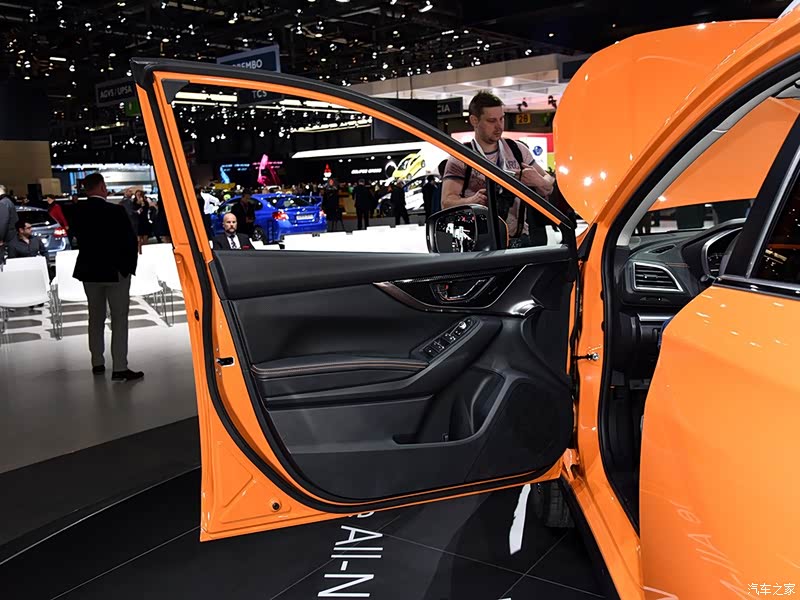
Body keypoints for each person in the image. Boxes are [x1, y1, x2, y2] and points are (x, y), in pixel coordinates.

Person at [442, 90, 555, 247]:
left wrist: (538, 181)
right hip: (480, 243)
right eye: (491, 121)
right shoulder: (462, 157)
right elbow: (446, 202)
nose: (499, 126)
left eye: (501, 119)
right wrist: (472, 201)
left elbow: (549, 182)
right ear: (474, 120)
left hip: (519, 239)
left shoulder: (517, 150)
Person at [72, 172, 142, 382]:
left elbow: (74, 237)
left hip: (89, 271)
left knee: (95, 317)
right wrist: (128, 269)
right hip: (115, 272)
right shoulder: (116, 211)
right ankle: (119, 367)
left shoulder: (77, 211)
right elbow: (129, 241)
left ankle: (97, 363)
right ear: (102, 187)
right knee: (119, 319)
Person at [0, 184, 19, 259]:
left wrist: (0, 238)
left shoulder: (2, 203)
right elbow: (16, 219)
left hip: (6, 238)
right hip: (11, 237)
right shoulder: (8, 201)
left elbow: (3, 223)